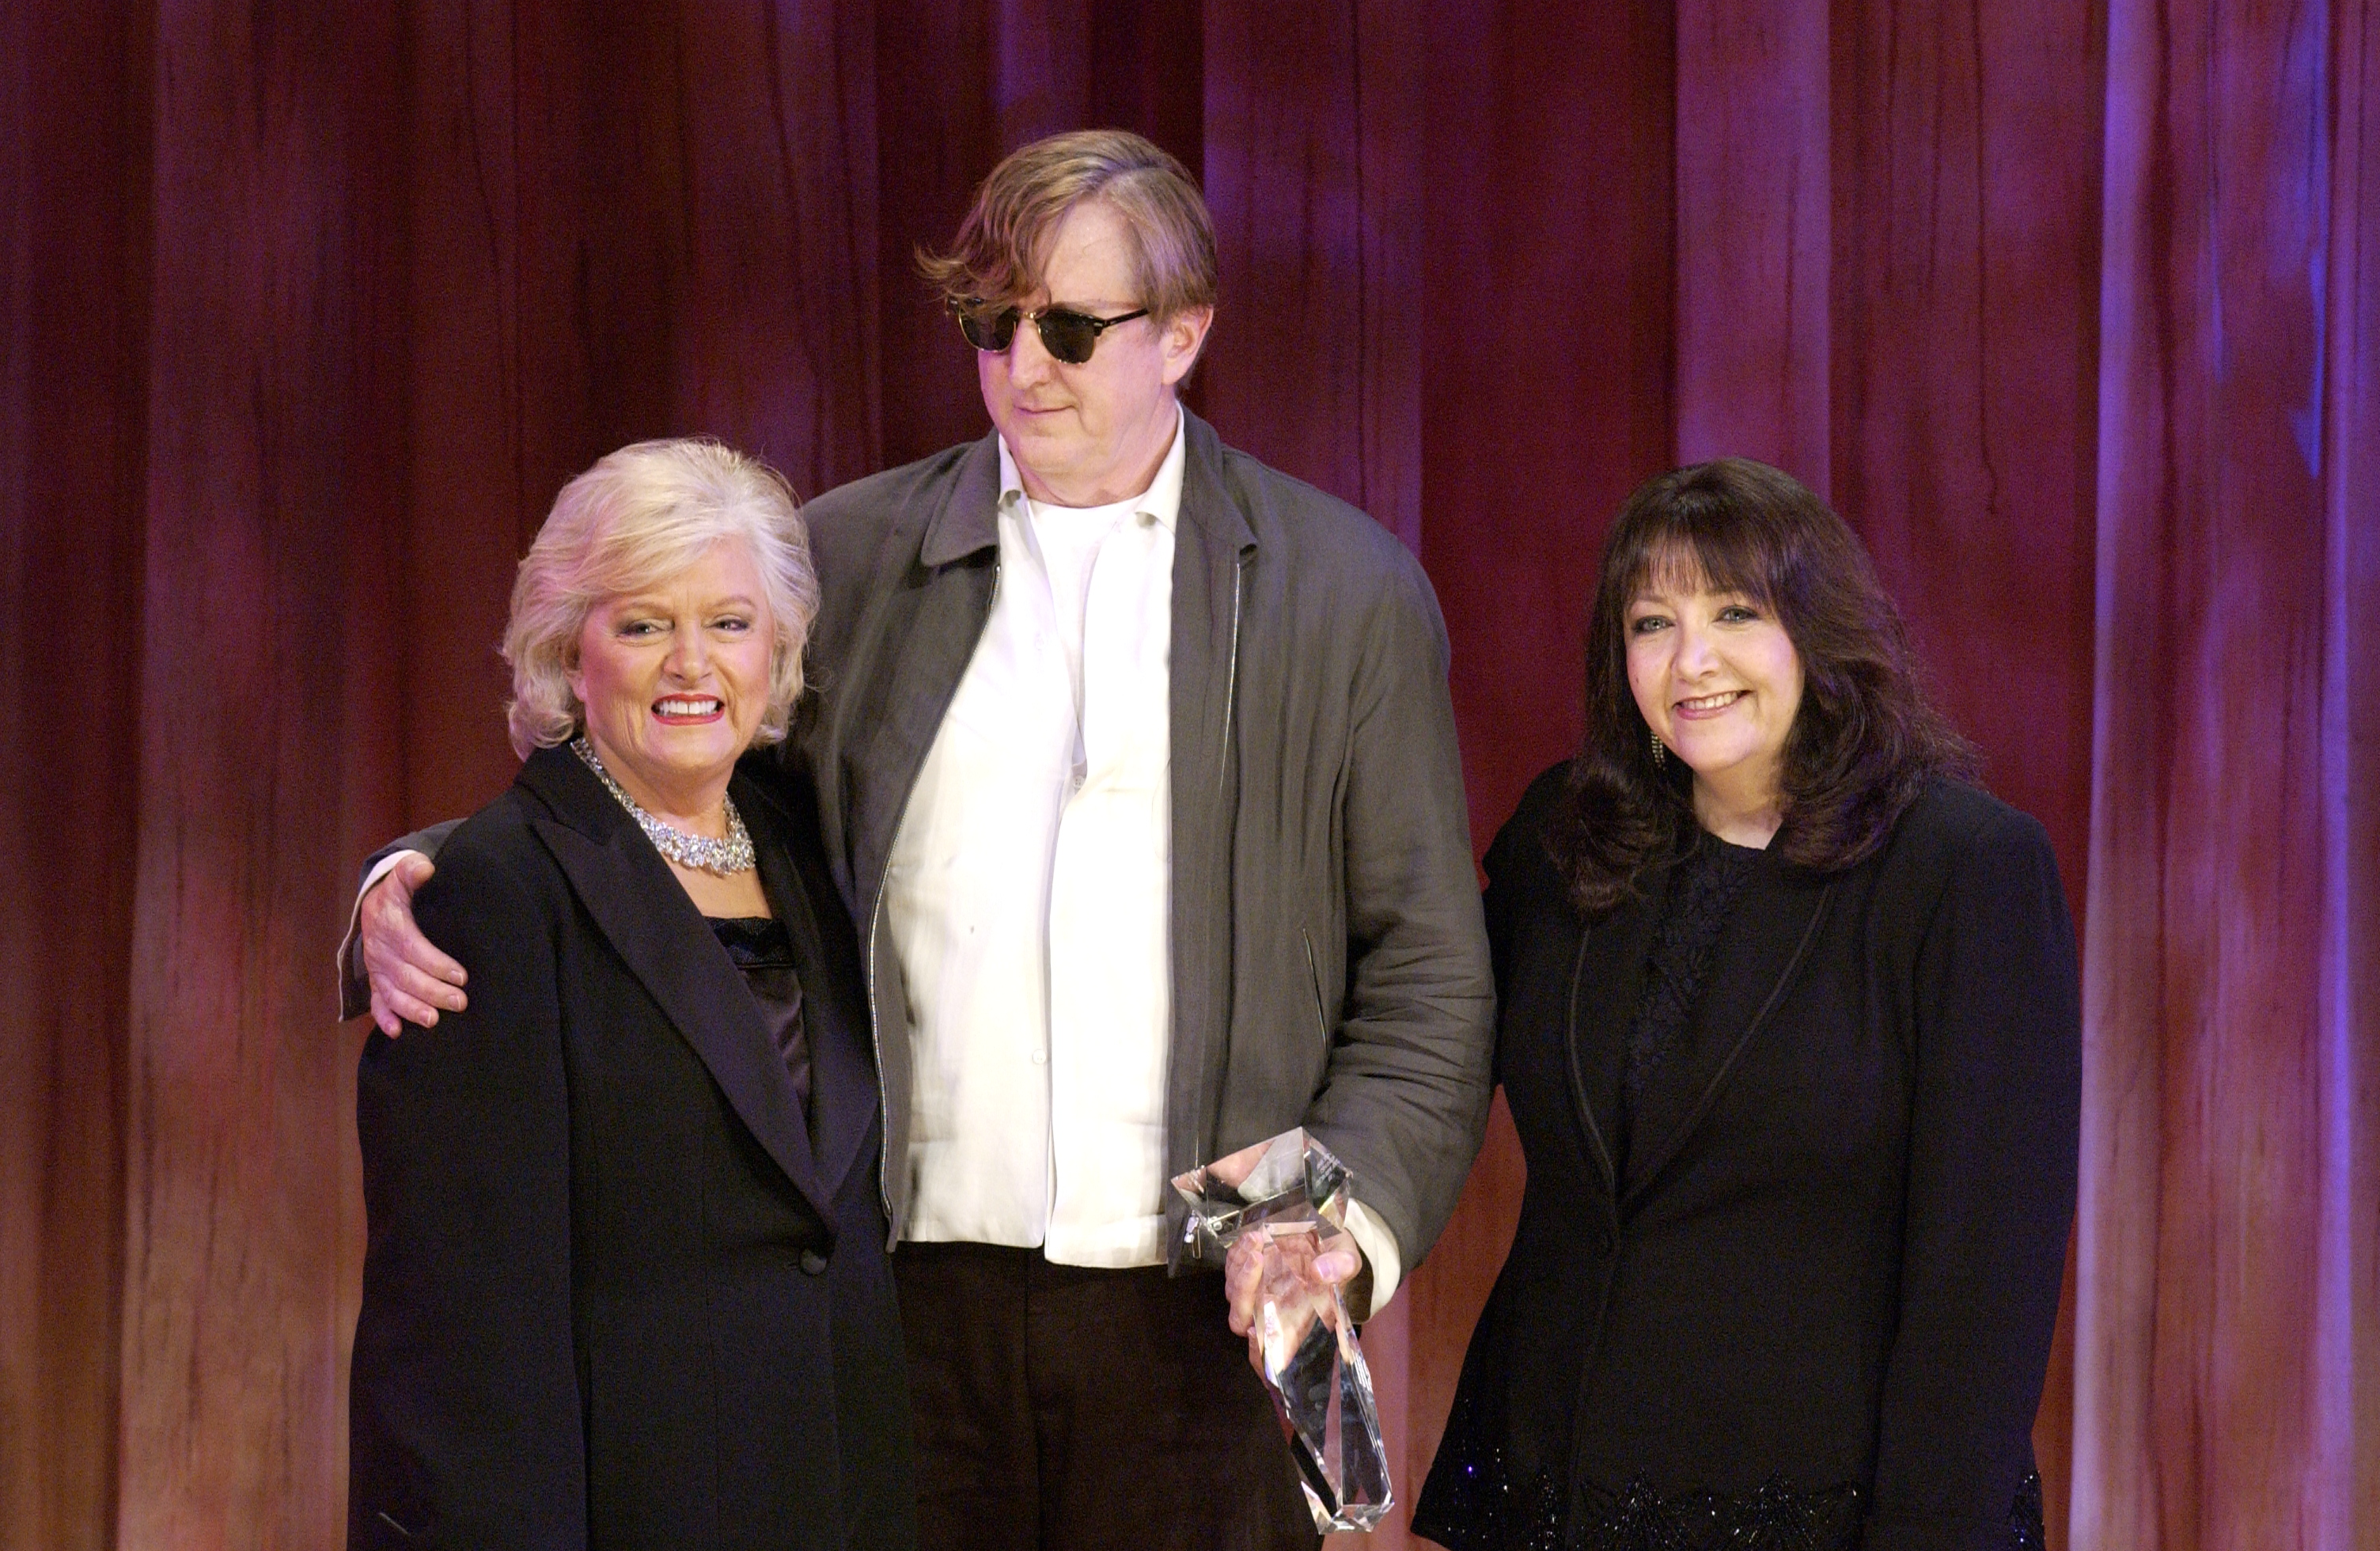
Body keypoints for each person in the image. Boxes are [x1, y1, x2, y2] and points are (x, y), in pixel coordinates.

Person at [347, 131, 1495, 1550]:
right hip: (894, 1312)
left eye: (1069, 328)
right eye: (991, 324)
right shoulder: (851, 555)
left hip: (1204, 1317)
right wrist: (433, 871)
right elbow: (673, 779)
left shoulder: (1344, 592)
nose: (1024, 367)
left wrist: (1337, 1226)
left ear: (1184, 334)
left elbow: (1429, 975)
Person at [1411, 459, 2079, 1551]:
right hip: (1550, 1490)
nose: (1692, 660)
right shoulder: (1565, 835)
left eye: (1734, 612)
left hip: (1824, 1511)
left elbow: (1986, 1281)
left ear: (1819, 633)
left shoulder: (1963, 869)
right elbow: (1423, 1045)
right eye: (1652, 623)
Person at [346, 440, 912, 1549]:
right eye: (645, 626)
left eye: (730, 623)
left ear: (778, 650)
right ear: (571, 654)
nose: (692, 664)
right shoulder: (496, 892)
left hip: (832, 1501)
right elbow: (460, 1326)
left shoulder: (812, 852)